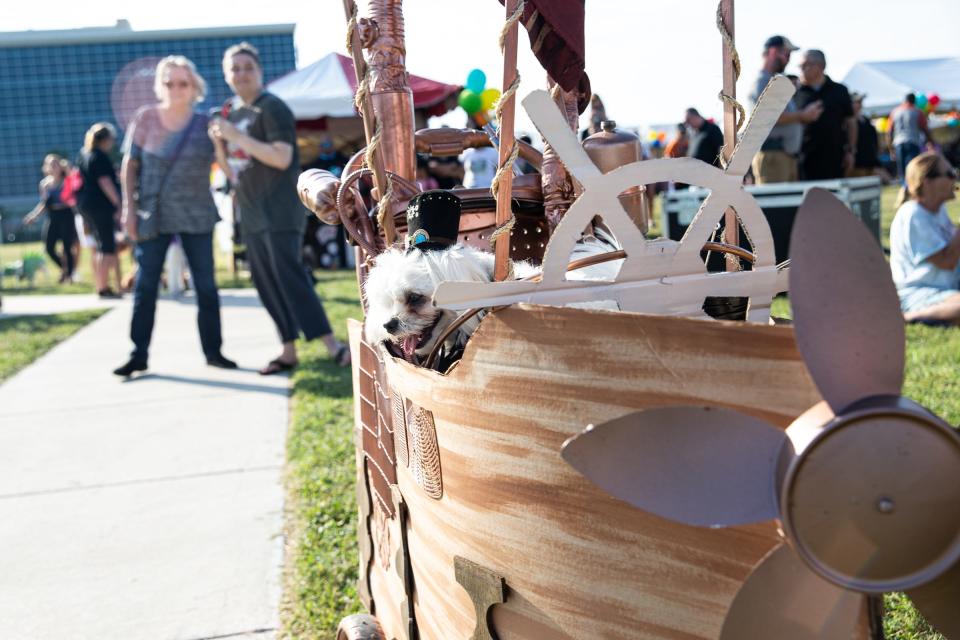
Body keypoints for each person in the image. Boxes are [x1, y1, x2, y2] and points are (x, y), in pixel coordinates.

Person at [210, 42, 349, 374]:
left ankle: (334, 346)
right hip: (251, 208)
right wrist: (220, 143)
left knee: (289, 276)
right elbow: (231, 169)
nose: (241, 74)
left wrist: (235, 137)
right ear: (226, 75)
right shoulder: (231, 111)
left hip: (280, 207)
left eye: (247, 67)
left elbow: (282, 157)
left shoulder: (271, 108)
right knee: (265, 280)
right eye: (235, 68)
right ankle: (287, 349)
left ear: (259, 71)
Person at [113, 55, 237, 376]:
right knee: (146, 286)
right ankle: (138, 353)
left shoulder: (205, 123)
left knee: (206, 287)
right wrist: (128, 208)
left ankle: (214, 351)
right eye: (169, 82)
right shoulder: (146, 118)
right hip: (152, 213)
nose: (176, 88)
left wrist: (220, 144)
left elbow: (228, 171)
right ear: (160, 86)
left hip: (197, 214)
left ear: (194, 86)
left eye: (183, 83)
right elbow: (130, 165)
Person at [889, 152, 960, 323]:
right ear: (928, 183)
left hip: (945, 288)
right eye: (950, 174)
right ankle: (908, 318)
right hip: (917, 293)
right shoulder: (913, 214)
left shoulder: (938, 210)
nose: (955, 179)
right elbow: (946, 262)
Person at [749, 35, 823, 184]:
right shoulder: (764, 81)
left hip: (782, 157)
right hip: (773, 157)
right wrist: (803, 115)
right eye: (786, 54)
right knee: (774, 205)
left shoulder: (774, 80)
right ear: (773, 52)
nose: (788, 59)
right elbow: (770, 117)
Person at [76, 123, 123, 298]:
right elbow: (105, 182)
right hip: (100, 205)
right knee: (107, 245)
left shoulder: (85, 154)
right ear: (105, 140)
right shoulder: (100, 157)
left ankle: (100, 284)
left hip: (87, 204)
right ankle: (104, 287)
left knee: (99, 245)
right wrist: (118, 203)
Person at [794, 49, 855, 181]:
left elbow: (851, 122)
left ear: (821, 66)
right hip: (804, 160)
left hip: (835, 159)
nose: (802, 69)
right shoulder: (795, 93)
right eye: (800, 66)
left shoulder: (840, 90)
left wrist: (851, 151)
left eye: (806, 65)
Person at [23, 154, 78, 282]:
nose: (54, 167)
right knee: (49, 247)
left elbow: (73, 198)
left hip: (66, 214)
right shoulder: (45, 184)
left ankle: (69, 275)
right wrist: (33, 215)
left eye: (56, 164)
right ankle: (64, 269)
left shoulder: (67, 180)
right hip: (53, 215)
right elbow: (44, 204)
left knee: (67, 246)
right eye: (51, 164)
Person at [889, 93, 933, 181]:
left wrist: (890, 148)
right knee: (913, 167)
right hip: (913, 142)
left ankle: (904, 186)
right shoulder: (917, 111)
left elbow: (889, 132)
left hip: (898, 142)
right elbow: (925, 129)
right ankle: (912, 186)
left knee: (902, 169)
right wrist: (930, 141)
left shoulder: (895, 112)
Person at [849, 93, 882, 178]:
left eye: (860, 102)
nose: (859, 104)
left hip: (869, 160)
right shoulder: (848, 120)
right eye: (857, 102)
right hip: (857, 161)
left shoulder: (865, 119)